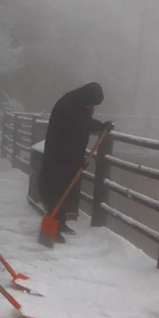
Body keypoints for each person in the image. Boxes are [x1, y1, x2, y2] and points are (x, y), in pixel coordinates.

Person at [38, 82, 112, 243]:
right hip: (59, 156)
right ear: (87, 98)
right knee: (57, 190)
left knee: (67, 190)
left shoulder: (80, 103)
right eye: (91, 104)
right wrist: (75, 159)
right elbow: (70, 132)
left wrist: (101, 126)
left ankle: (60, 223)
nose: (91, 107)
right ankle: (53, 227)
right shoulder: (68, 106)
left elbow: (84, 122)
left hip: (70, 157)